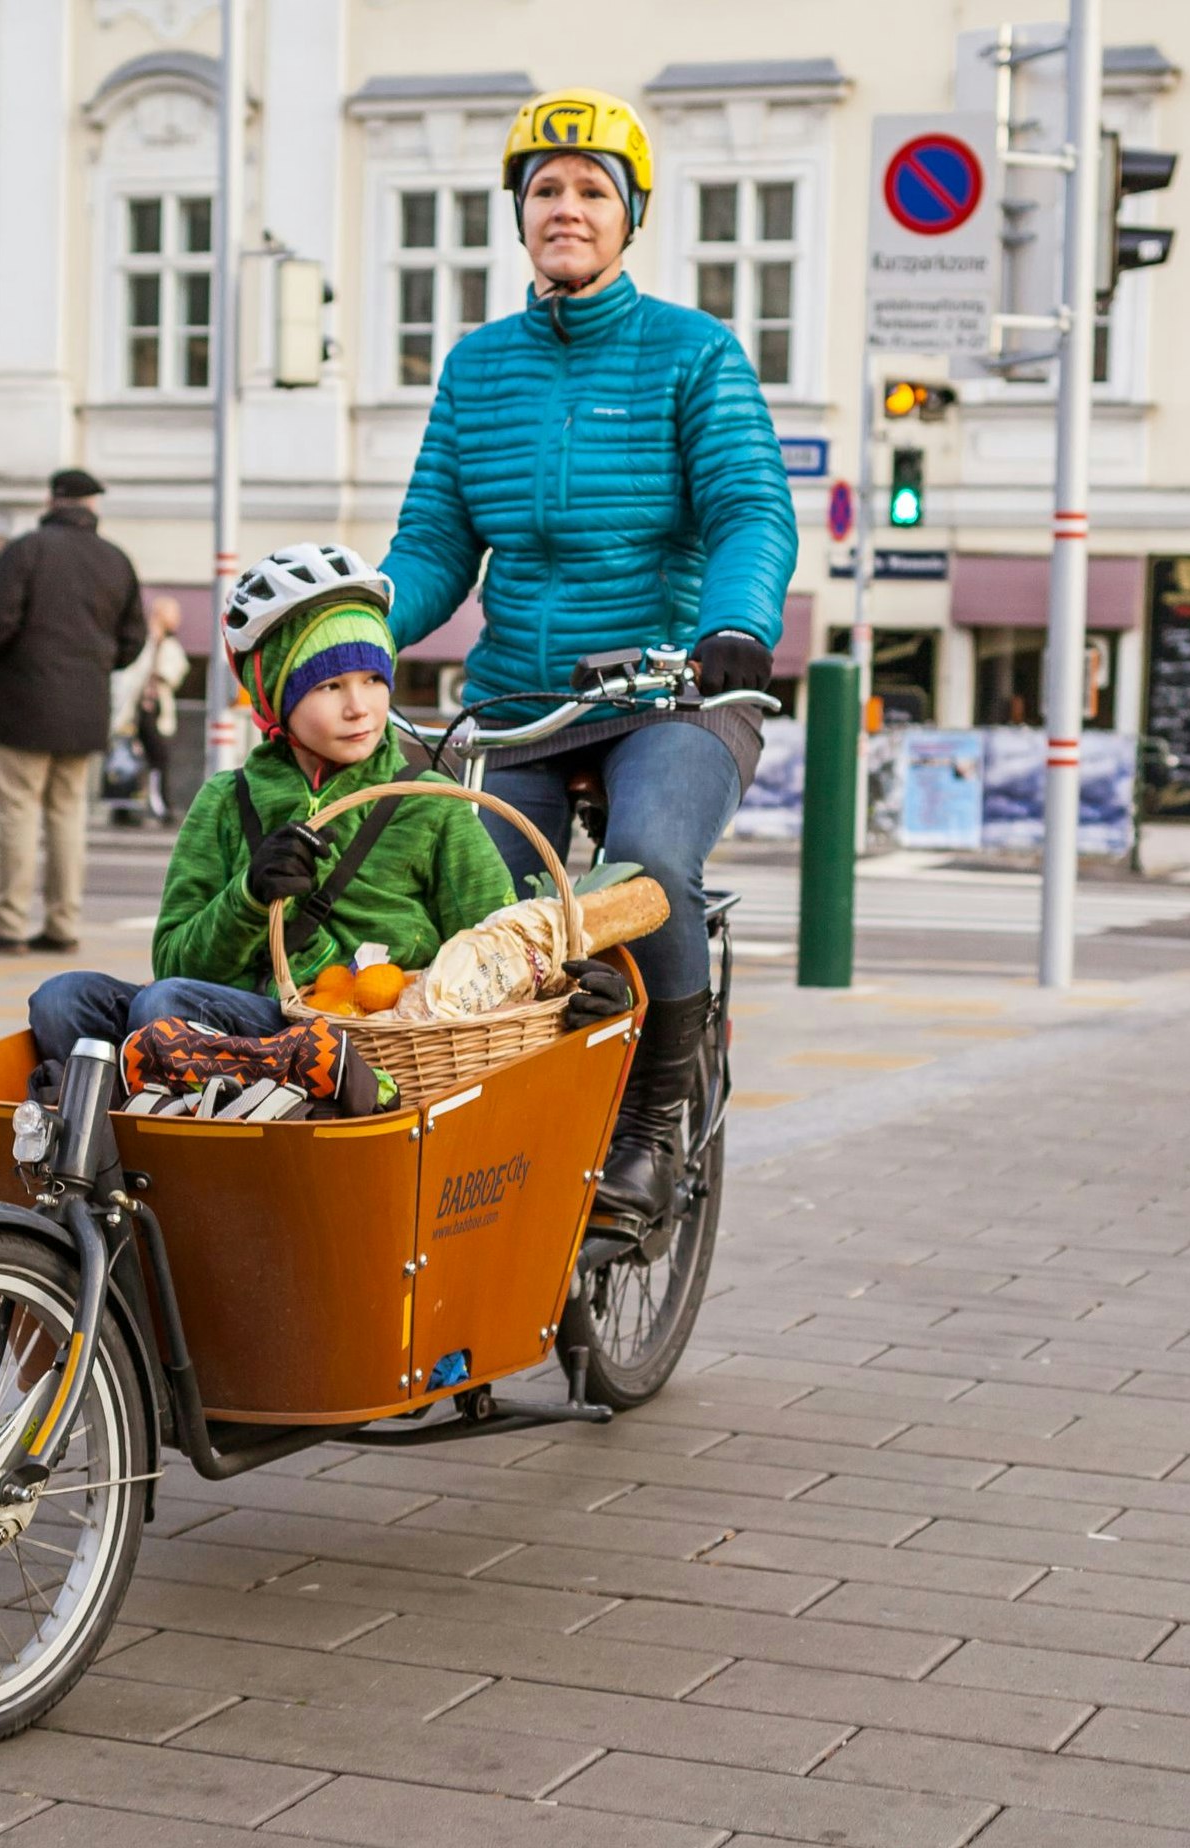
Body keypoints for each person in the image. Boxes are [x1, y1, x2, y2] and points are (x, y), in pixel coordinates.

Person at [379, 85, 797, 1227]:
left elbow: (751, 508)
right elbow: (434, 544)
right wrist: (358, 626)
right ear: (520, 213)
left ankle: (655, 1120)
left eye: (592, 191)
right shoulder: (478, 368)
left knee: (648, 860)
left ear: (629, 217)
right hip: (518, 698)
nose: (567, 208)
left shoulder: (694, 353)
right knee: (461, 901)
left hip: (673, 693)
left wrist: (735, 629)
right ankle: (495, 1128)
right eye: (546, 190)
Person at [29, 543, 632, 1061]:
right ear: (276, 697)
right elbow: (176, 962)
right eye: (328, 685)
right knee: (63, 999)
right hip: (243, 1013)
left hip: (363, 1038)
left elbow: (500, 947)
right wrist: (248, 897)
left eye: (374, 679)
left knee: (164, 1008)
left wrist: (571, 993)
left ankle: (168, 1099)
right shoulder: (225, 800)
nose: (359, 707)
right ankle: (124, 1126)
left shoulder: (430, 803)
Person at [0, 468, 146, 956]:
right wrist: (93, 664)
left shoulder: (25, 551)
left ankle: (9, 923)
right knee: (68, 815)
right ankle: (63, 924)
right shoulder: (115, 560)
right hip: (85, 710)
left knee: (18, 811)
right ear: (93, 505)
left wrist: (12, 656)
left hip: (23, 705)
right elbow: (133, 640)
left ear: (52, 500)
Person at [108, 592, 190, 826]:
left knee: (152, 757)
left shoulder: (167, 643)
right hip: (137, 709)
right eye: (174, 614)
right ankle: (128, 808)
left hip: (151, 710)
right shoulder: (144, 640)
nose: (178, 619)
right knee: (131, 755)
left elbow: (175, 671)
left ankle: (151, 806)